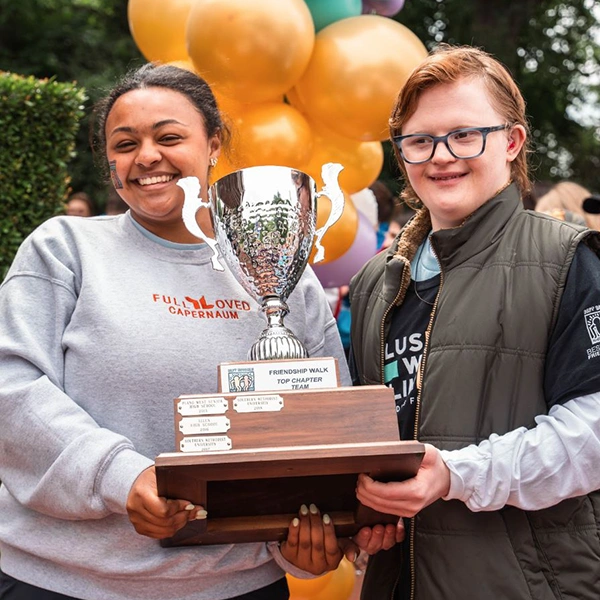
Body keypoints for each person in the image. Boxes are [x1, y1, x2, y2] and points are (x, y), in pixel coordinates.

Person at [0, 63, 365, 600]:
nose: (146, 156)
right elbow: (12, 387)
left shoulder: (287, 274)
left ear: (214, 144)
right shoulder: (64, 248)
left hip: (237, 587)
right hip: (60, 581)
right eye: (125, 144)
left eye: (169, 137)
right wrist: (118, 475)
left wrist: (300, 535)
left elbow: (324, 418)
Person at [348, 45, 600, 599]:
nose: (441, 156)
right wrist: (356, 515)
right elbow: (360, 437)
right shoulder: (375, 282)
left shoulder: (567, 258)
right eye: (419, 141)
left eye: (465, 135)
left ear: (511, 142)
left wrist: (456, 475)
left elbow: (592, 438)